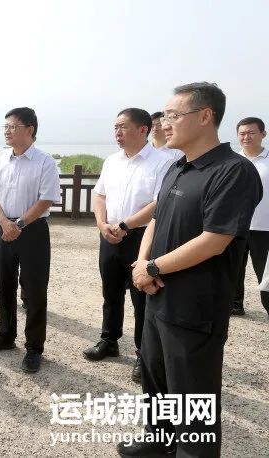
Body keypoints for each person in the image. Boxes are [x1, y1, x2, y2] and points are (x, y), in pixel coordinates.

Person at [119, 82, 262, 457]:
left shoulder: (233, 171)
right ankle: (158, 440)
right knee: (155, 376)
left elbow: (216, 239)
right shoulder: (177, 167)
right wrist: (142, 265)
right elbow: (156, 219)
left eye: (172, 115)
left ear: (204, 116)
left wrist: (151, 267)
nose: (164, 123)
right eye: (164, 115)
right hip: (158, 297)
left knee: (192, 395)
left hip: (195, 307)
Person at [83, 108, 173, 384]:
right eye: (115, 127)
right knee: (110, 292)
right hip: (109, 235)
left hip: (141, 237)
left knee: (142, 298)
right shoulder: (112, 161)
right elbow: (100, 195)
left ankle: (143, 354)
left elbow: (159, 203)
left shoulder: (163, 162)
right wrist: (102, 225)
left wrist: (126, 225)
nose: (117, 133)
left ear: (143, 129)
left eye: (122, 127)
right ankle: (109, 340)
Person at [0, 107, 61, 373]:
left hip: (32, 230)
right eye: (5, 126)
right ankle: (5, 336)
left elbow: (46, 199)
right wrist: (5, 223)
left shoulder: (45, 162)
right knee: (4, 284)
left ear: (30, 130)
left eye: (13, 126)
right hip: (2, 228)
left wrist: (19, 224)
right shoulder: (0, 158)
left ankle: (34, 348)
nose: (7, 131)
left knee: (35, 289)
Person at [232, 117, 269, 317]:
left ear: (263, 134)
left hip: (264, 227)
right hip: (236, 225)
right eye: (242, 133)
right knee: (234, 267)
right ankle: (235, 305)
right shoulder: (232, 161)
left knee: (265, 272)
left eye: (251, 132)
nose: (246, 137)